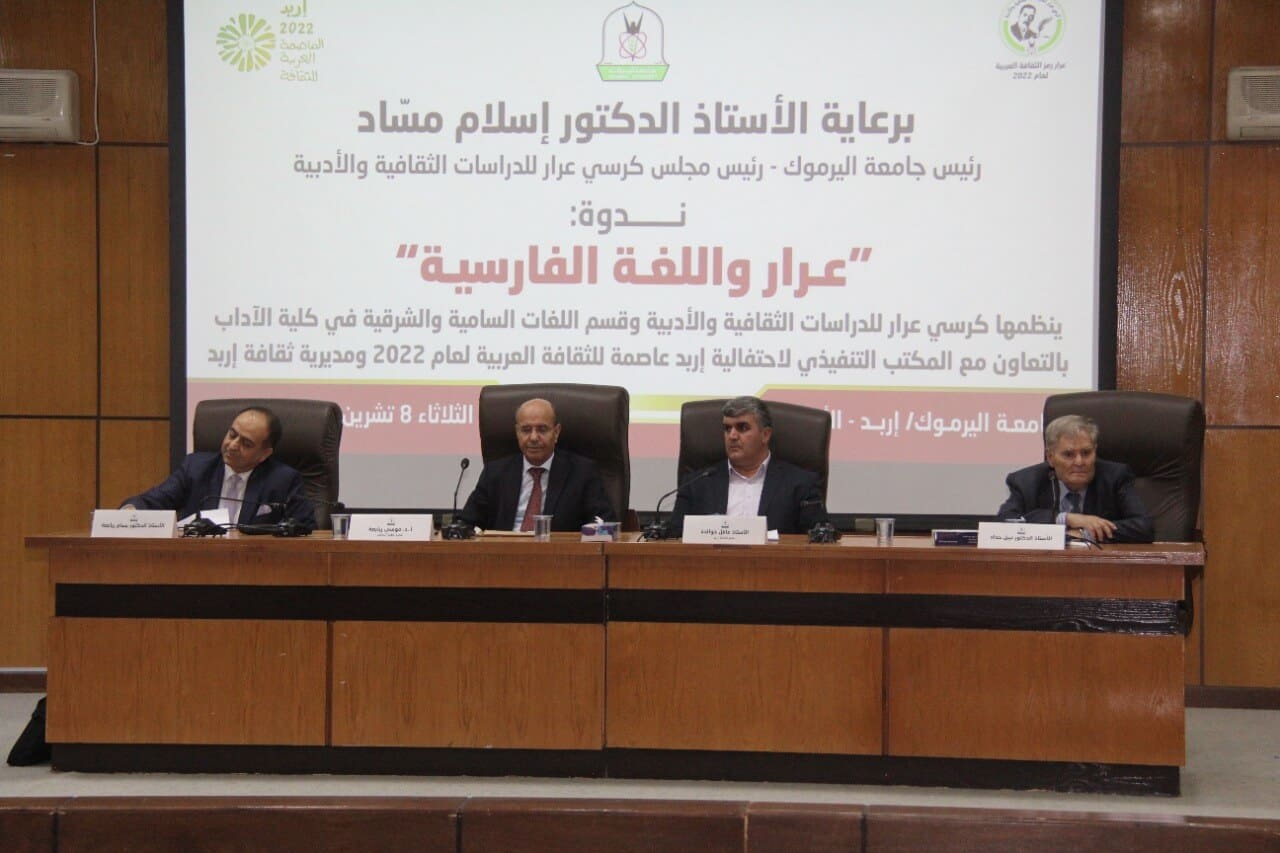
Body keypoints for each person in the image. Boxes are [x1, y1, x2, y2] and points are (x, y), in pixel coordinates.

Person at [121, 405, 316, 530]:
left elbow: (306, 528)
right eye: (232, 434)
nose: (233, 445)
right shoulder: (196, 469)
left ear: (264, 454)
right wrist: (130, 512)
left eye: (246, 444)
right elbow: (150, 502)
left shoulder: (283, 480)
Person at [666, 396, 827, 536]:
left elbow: (820, 540)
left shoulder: (800, 484)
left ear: (765, 435)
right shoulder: (696, 484)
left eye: (742, 428)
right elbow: (673, 538)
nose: (732, 436)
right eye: (727, 428)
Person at [457, 398, 616, 532]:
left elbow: (605, 524)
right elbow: (466, 523)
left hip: (559, 556)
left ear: (556, 432)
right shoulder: (495, 472)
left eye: (542, 429)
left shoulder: (582, 472)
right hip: (503, 554)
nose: (533, 437)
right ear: (517, 432)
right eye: (526, 430)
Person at [996, 414, 1153, 543]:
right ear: (1050, 457)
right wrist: (1066, 519)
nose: (1079, 462)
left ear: (1095, 451)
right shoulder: (1026, 481)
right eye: (1068, 454)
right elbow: (1004, 524)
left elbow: (1143, 527)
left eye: (1086, 453)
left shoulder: (1115, 477)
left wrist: (1084, 533)